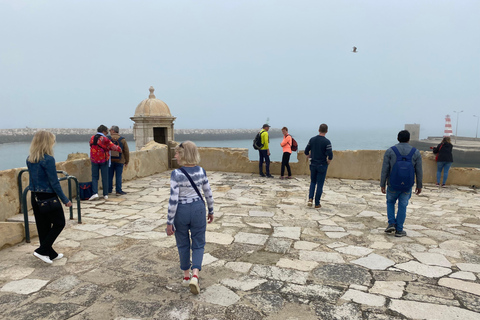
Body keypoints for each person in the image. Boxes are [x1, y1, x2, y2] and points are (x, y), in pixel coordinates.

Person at [166, 141, 214, 295]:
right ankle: (195, 275)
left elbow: (173, 200)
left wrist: (169, 222)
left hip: (182, 210)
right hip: (198, 209)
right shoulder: (201, 171)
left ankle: (186, 277)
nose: (175, 156)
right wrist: (211, 210)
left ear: (184, 154)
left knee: (183, 243)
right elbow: (208, 193)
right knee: (199, 243)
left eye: (177, 153)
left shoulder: (176, 174)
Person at [26, 131, 72, 264]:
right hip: (48, 197)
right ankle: (41, 251)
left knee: (43, 226)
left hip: (35, 196)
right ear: (47, 142)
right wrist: (65, 200)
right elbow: (54, 182)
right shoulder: (48, 159)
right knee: (59, 223)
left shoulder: (30, 158)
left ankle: (50, 253)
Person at [380, 130, 423, 237]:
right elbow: (419, 170)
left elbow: (385, 169)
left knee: (390, 202)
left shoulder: (390, 151)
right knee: (402, 206)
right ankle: (399, 230)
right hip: (407, 185)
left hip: (392, 183)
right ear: (409, 139)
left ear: (398, 138)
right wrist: (419, 185)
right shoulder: (415, 152)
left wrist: (382, 184)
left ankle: (391, 223)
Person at [89, 125, 122, 200]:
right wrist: (119, 149)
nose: (107, 133)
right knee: (105, 177)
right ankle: (105, 194)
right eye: (106, 132)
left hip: (94, 159)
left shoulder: (92, 137)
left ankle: (95, 193)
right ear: (103, 131)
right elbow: (112, 146)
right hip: (103, 159)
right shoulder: (104, 138)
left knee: (94, 177)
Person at [304, 124, 333, 208]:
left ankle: (310, 198)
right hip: (322, 165)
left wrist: (309, 156)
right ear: (326, 131)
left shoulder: (312, 140)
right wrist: (328, 161)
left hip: (313, 164)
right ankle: (317, 203)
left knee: (313, 182)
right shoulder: (327, 142)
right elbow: (330, 155)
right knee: (320, 184)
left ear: (318, 130)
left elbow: (306, 151)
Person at [107, 125, 130, 195]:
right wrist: (127, 161)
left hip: (110, 160)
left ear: (113, 131)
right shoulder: (122, 139)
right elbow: (126, 151)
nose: (109, 131)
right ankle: (118, 190)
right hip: (120, 160)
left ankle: (109, 190)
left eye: (110, 130)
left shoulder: (108, 139)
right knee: (118, 176)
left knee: (109, 176)